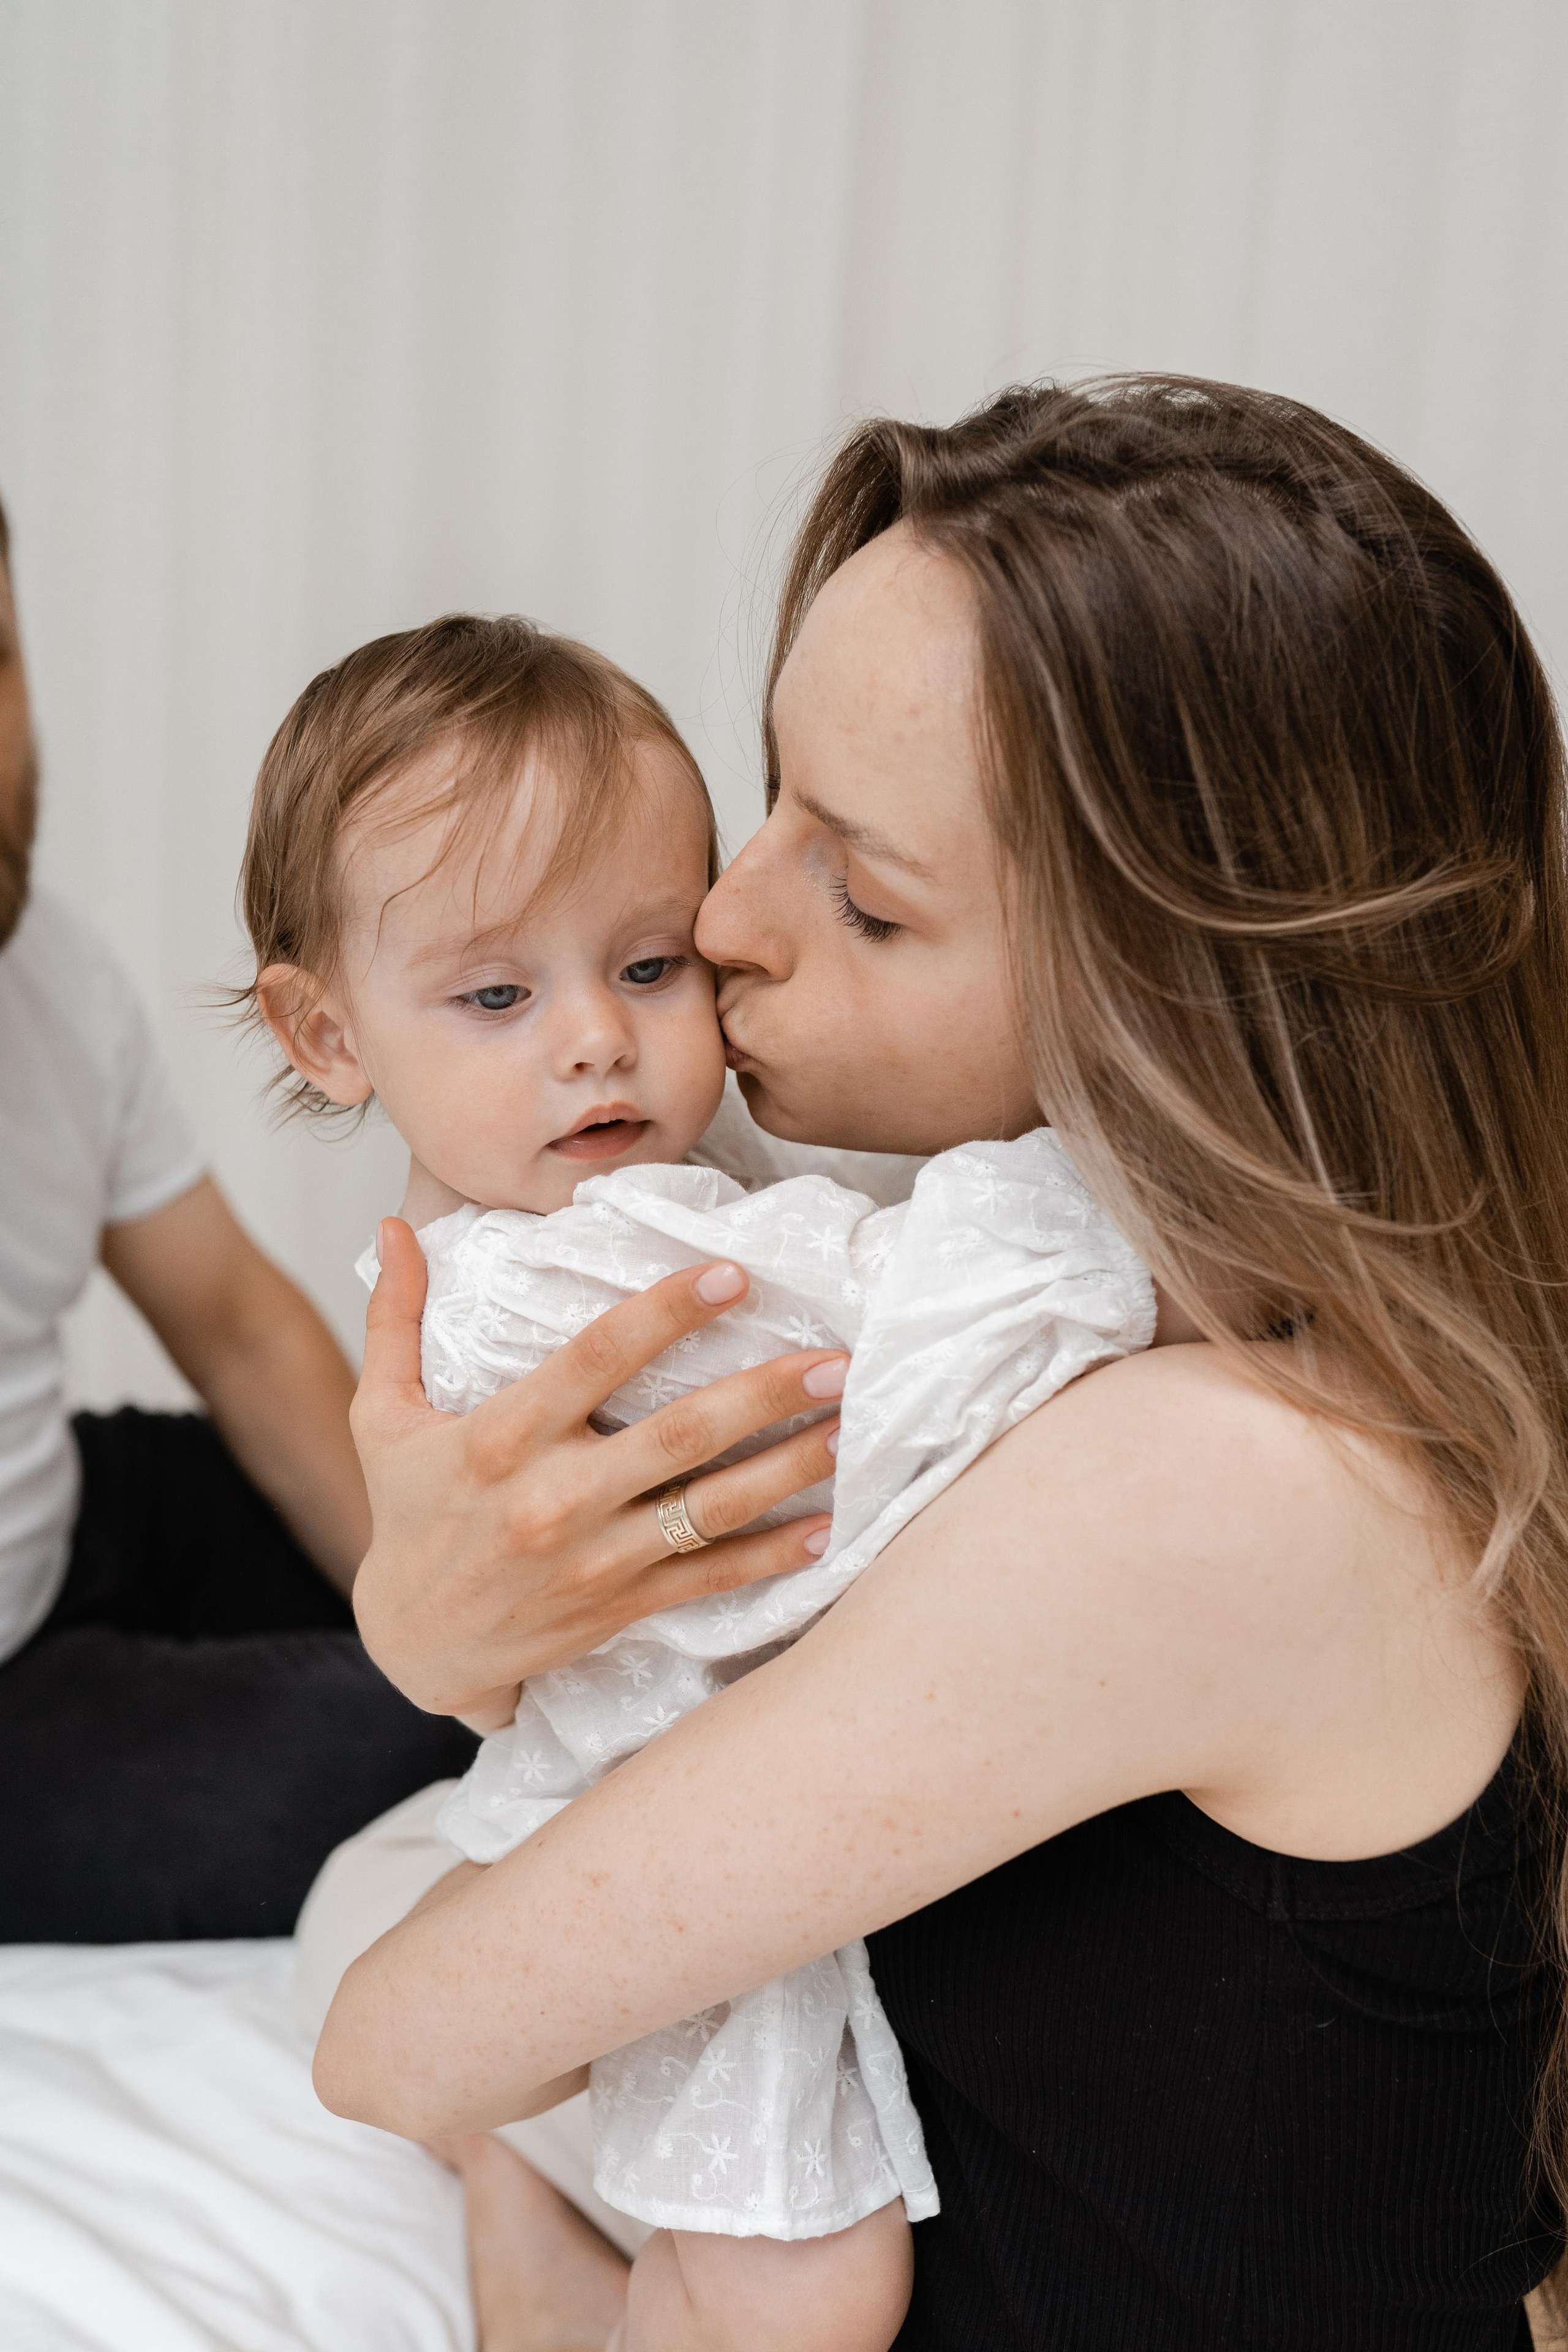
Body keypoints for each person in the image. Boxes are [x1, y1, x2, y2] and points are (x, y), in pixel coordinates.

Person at [315, 377, 1568, 2348]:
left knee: (370, 1939)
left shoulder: (1214, 1483)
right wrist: (434, 1625)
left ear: (1177, 981)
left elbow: (397, 2049)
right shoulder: (1277, 1320)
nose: (719, 922)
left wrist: (447, 1668)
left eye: (866, 890)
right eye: (772, 799)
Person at [242, 612, 1157, 2347]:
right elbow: (878, 1332)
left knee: (753, 2258)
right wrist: (1099, 1208)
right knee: (802, 2284)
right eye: (499, 996)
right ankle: (536, 2255)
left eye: (650, 965)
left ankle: (537, 2235)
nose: (595, 1040)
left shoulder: (640, 1176)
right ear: (327, 1033)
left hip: (741, 1801)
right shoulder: (546, 1278)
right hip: (665, 1834)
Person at [0, 497, 473, 1942]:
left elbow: (241, 1330)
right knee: (446, 1745)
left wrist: (439, 1593)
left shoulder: (48, 968)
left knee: (518, 1556)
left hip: (57, 1519)